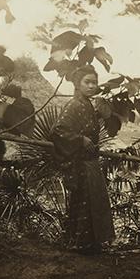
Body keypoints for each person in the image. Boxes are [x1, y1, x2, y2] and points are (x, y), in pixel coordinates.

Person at [51, 65, 115, 254]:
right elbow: (58, 130)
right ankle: (80, 244)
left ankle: (91, 243)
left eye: (94, 82)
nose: (91, 86)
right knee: (84, 200)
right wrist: (80, 139)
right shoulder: (73, 104)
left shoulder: (88, 104)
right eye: (87, 82)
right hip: (80, 162)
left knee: (94, 200)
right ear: (77, 84)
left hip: (90, 161)